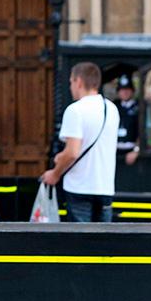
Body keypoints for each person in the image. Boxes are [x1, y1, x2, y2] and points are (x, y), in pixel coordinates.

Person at [41, 62, 119, 222]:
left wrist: (55, 174)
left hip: (79, 187)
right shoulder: (112, 109)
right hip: (105, 187)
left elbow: (72, 152)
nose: (71, 87)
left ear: (79, 82)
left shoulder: (75, 110)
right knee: (103, 243)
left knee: (80, 244)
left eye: (71, 82)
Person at [114, 75, 140, 165]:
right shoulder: (114, 107)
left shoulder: (138, 107)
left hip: (132, 149)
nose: (125, 92)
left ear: (132, 91)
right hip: (115, 150)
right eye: (122, 90)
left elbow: (143, 130)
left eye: (127, 89)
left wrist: (137, 150)